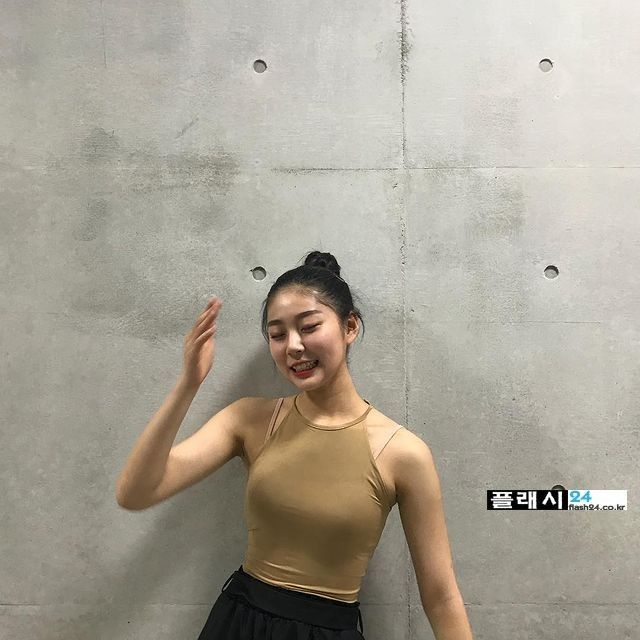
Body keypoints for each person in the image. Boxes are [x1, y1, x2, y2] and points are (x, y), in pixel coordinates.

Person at [115, 250, 473, 639]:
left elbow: (441, 597)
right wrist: (189, 384)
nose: (293, 346)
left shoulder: (403, 452)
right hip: (238, 625)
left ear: (350, 327)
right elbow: (136, 493)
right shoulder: (250, 419)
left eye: (309, 327)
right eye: (277, 334)